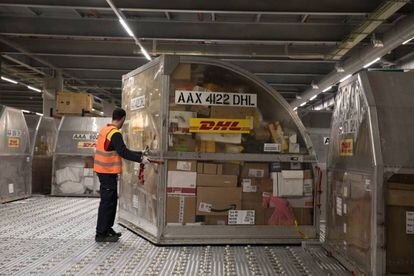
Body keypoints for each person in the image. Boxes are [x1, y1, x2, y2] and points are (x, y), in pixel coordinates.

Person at [94, 108, 149, 242]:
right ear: (123, 118)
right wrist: (141, 159)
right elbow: (123, 152)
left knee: (111, 201)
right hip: (107, 172)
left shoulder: (105, 130)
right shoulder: (115, 133)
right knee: (107, 203)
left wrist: (140, 153)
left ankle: (107, 229)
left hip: (104, 172)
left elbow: (121, 149)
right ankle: (101, 234)